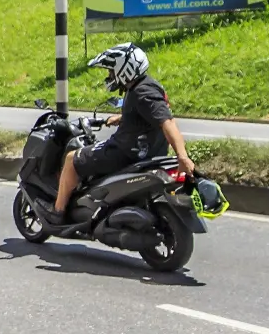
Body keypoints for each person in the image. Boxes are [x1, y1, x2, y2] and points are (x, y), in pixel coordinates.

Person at [49, 42, 194, 225]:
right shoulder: (147, 86)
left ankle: (57, 212)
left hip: (124, 153)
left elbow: (168, 122)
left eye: (111, 71)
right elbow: (149, 115)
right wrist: (123, 118)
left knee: (71, 159)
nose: (110, 76)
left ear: (125, 69)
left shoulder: (142, 92)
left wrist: (182, 156)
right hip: (148, 152)